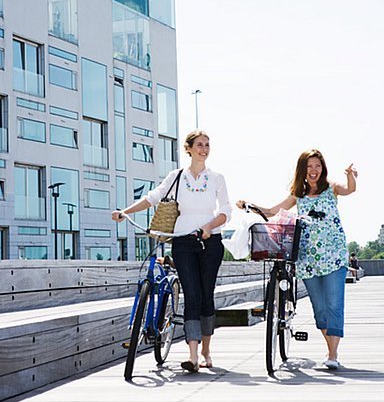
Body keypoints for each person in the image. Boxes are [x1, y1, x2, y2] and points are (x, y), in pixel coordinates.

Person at [112, 130, 232, 373]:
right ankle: (193, 355)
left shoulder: (217, 178)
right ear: (188, 148)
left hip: (210, 243)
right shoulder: (176, 176)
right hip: (183, 242)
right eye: (199, 145)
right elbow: (153, 198)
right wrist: (125, 212)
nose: (204, 149)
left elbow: (227, 210)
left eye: (207, 145)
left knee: (206, 295)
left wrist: (209, 226)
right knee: (192, 294)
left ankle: (206, 349)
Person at [237, 149, 357, 370]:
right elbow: (273, 211)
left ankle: (332, 354)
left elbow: (350, 189)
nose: (313, 171)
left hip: (334, 256)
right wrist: (251, 206)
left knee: (333, 304)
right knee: (319, 307)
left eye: (317, 166)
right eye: (309, 166)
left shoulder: (332, 188)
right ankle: (331, 348)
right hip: (307, 259)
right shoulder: (298, 194)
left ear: (323, 169)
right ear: (303, 170)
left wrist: (350, 174)